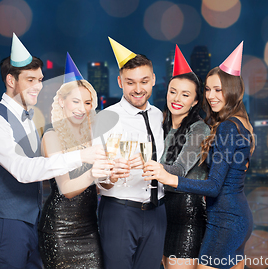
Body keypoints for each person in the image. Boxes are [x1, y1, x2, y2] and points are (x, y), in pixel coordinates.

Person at [0, 34, 107, 269]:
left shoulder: (32, 118)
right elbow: (22, 170)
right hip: (6, 223)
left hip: (37, 223)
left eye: (40, 79)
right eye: (30, 79)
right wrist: (80, 157)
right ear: (11, 81)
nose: (38, 86)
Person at [143, 42, 255, 269]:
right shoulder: (239, 124)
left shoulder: (227, 127)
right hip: (233, 217)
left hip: (225, 220)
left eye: (219, 89)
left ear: (233, 91)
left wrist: (169, 178)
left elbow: (214, 186)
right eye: (208, 89)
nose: (211, 96)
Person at [38, 53, 118, 269]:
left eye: (87, 102)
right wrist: (93, 173)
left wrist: (112, 176)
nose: (81, 108)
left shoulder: (93, 137)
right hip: (60, 230)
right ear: (62, 102)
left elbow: (102, 187)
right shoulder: (51, 136)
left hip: (90, 228)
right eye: (75, 101)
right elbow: (66, 188)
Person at [95, 37, 166, 269]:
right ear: (120, 82)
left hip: (158, 211)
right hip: (119, 211)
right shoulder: (105, 118)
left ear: (153, 79)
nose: (138, 89)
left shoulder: (159, 115)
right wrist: (111, 177)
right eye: (130, 82)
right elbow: (96, 179)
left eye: (144, 81)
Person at [160, 45, 210, 269]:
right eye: (173, 91)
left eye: (185, 94)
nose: (177, 98)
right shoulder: (159, 123)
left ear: (196, 101)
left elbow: (179, 170)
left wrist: (142, 166)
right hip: (160, 212)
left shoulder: (199, 129)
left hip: (187, 212)